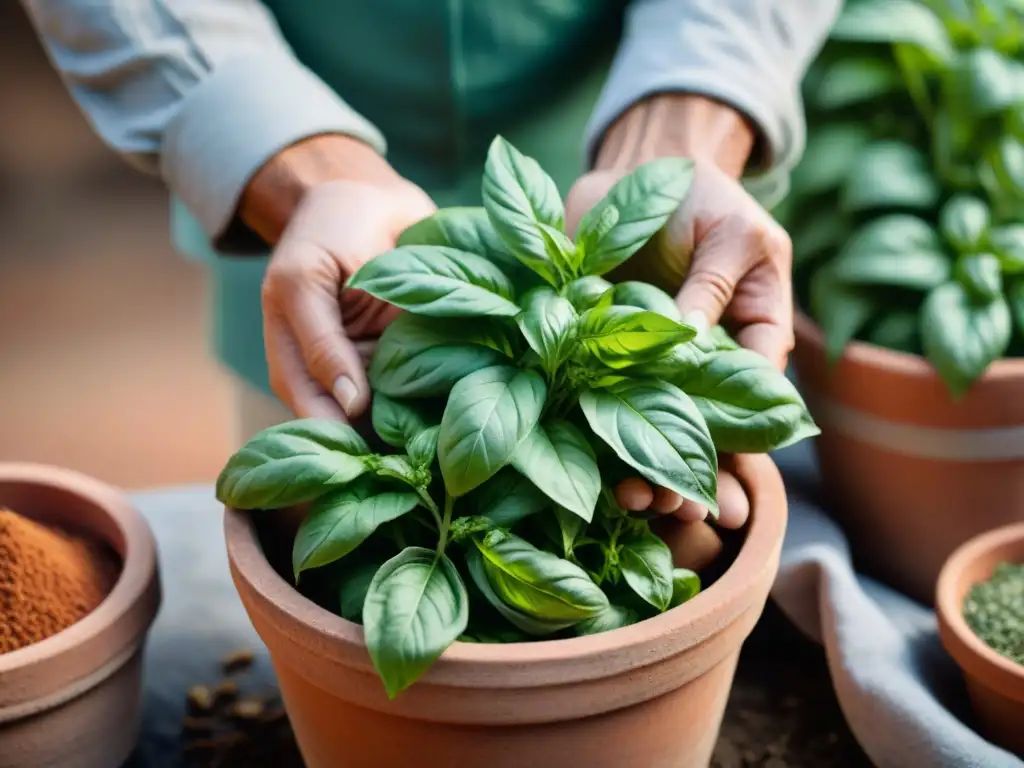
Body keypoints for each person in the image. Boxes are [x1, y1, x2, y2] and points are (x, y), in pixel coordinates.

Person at [21, 0, 840, 529]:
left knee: (664, 536)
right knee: (323, 525)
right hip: (330, 274)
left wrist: (690, 114)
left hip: (623, 220)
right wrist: (292, 164)